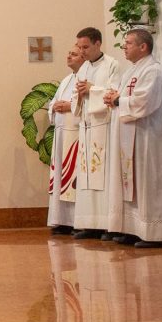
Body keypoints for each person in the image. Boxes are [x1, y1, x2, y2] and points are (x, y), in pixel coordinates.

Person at [102, 29, 162, 248]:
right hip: (129, 136)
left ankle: (153, 234)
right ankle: (133, 229)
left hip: (146, 138)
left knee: (147, 183)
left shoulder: (154, 72)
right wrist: (112, 97)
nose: (124, 47)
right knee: (131, 183)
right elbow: (122, 96)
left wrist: (118, 101)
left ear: (143, 47)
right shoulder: (132, 71)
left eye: (128, 43)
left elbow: (145, 102)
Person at [70, 27, 119, 240]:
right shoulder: (83, 68)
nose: (82, 51)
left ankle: (107, 224)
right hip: (86, 126)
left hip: (102, 127)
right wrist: (79, 96)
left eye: (86, 47)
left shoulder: (112, 64)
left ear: (98, 44)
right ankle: (89, 223)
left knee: (102, 176)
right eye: (79, 47)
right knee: (86, 176)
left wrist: (92, 89)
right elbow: (75, 96)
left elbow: (114, 93)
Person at [47, 45, 85, 235]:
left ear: (84, 58)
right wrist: (54, 106)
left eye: (74, 54)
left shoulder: (85, 80)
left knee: (74, 177)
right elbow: (53, 102)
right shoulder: (66, 80)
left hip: (76, 135)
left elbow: (88, 103)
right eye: (69, 53)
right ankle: (61, 220)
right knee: (61, 177)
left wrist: (70, 105)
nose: (69, 56)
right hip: (61, 135)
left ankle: (77, 221)